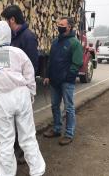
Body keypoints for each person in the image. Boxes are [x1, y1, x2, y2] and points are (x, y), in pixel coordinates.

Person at [0, 21, 45, 176]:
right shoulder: (18, 52)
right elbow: (29, 74)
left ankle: (6, 173)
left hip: (1, 99)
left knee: (6, 140)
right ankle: (37, 171)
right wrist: (31, 92)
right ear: (9, 35)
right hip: (21, 95)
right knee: (28, 136)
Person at [1, 5, 39, 164]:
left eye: (5, 20)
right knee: (12, 121)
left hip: (21, 88)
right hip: (11, 87)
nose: (4, 24)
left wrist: (27, 89)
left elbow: (32, 66)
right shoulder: (12, 37)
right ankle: (15, 148)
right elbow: (5, 60)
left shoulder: (28, 37)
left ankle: (25, 152)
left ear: (12, 20)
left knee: (23, 122)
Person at [43, 17, 83, 146]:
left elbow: (77, 63)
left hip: (66, 82)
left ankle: (69, 134)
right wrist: (47, 75)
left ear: (69, 27)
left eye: (61, 24)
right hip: (54, 81)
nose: (58, 26)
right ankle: (56, 129)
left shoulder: (74, 43)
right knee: (55, 106)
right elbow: (51, 60)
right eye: (58, 24)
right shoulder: (55, 42)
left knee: (69, 108)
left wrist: (68, 77)